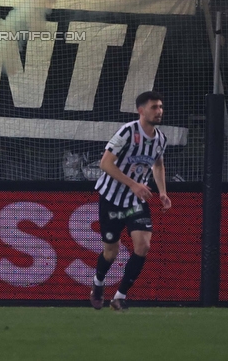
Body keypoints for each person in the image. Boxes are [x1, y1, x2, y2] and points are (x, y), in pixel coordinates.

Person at [89, 91, 171, 312]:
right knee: (111, 252)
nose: (159, 111)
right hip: (112, 199)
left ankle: (119, 297)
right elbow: (105, 164)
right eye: (154, 107)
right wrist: (133, 184)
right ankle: (98, 284)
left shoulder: (161, 139)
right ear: (141, 110)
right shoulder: (127, 132)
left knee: (143, 245)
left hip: (135, 202)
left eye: (161, 107)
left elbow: (158, 165)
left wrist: (162, 192)